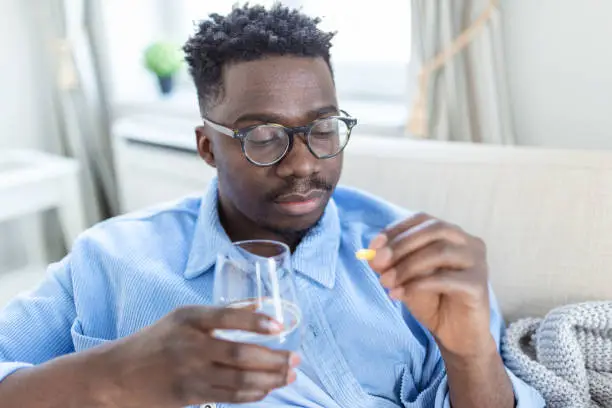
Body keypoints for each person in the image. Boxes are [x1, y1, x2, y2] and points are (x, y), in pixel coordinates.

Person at [0, 4, 544, 408]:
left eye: (323, 127)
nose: (304, 163)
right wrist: (113, 375)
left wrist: (472, 354)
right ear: (208, 147)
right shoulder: (111, 259)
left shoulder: (414, 260)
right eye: (263, 135)